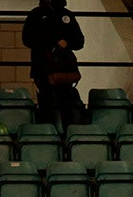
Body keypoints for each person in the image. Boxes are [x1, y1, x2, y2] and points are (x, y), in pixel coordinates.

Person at [21, 0, 85, 129]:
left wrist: (66, 43)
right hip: (42, 67)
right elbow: (27, 39)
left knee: (66, 105)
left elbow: (79, 41)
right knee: (46, 104)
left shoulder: (67, 15)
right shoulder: (36, 14)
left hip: (63, 68)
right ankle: (47, 136)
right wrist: (50, 44)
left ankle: (67, 135)